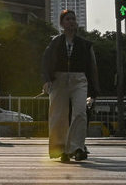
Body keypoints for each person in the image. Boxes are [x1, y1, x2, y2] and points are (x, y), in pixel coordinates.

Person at [40, 9, 99, 162]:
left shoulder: (86, 45)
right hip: (58, 80)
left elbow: (92, 68)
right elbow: (45, 62)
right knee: (58, 116)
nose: (71, 21)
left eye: (73, 19)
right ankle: (60, 149)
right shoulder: (55, 42)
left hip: (79, 80)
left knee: (80, 113)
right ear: (61, 23)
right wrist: (46, 80)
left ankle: (77, 148)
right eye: (67, 19)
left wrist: (93, 91)